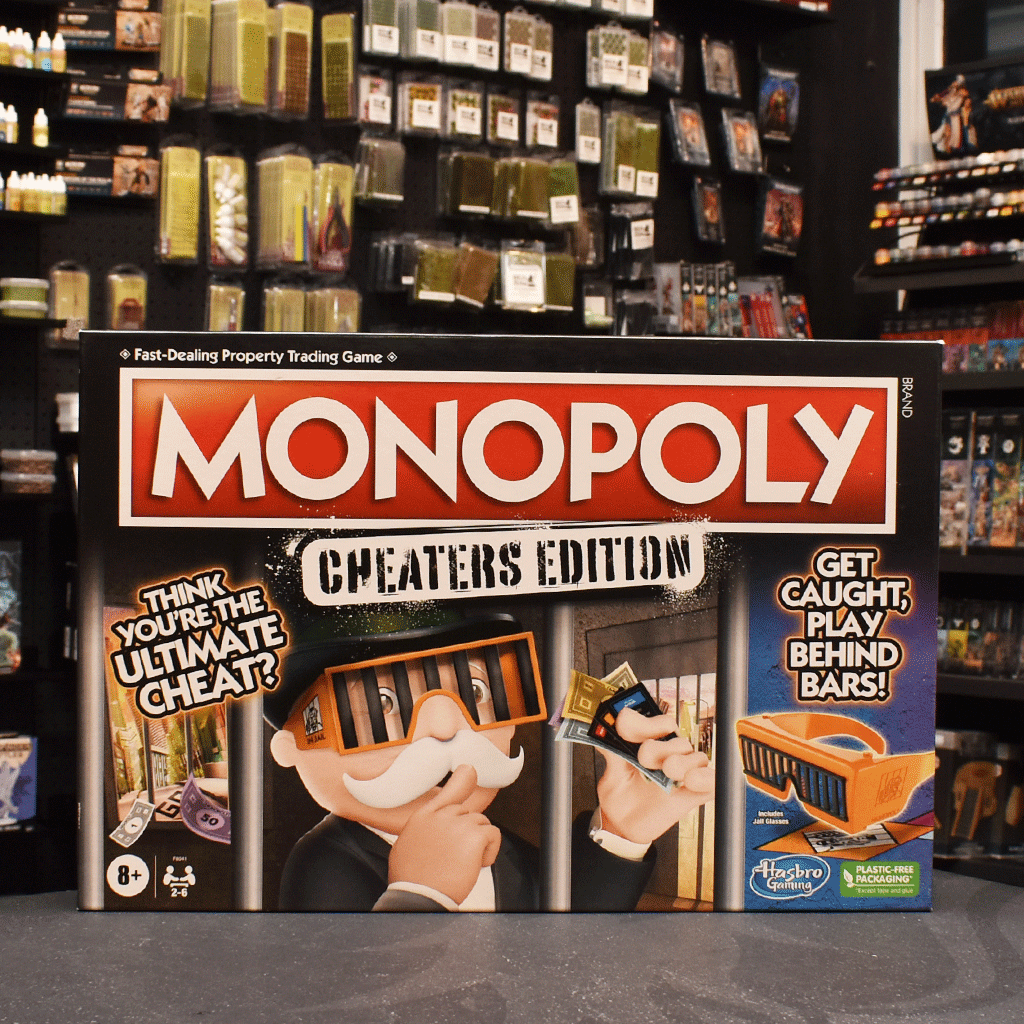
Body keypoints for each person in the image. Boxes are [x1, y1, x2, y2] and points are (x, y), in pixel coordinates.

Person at [265, 615, 714, 911]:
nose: (447, 727)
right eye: (384, 704)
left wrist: (620, 835)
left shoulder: (498, 845)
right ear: (291, 747)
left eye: (476, 693)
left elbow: (564, 928)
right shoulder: (325, 863)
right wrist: (419, 895)